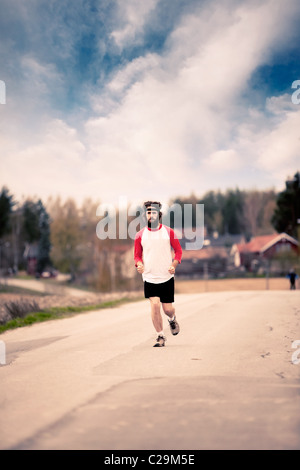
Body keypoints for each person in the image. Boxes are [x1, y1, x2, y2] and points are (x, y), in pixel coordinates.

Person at [134, 201, 182, 347]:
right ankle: (160, 336)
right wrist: (139, 264)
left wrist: (174, 265)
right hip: (149, 277)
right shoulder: (140, 235)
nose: (151, 215)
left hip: (166, 277)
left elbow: (178, 252)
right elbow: (137, 256)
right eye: (149, 212)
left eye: (154, 212)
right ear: (146, 215)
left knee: (167, 309)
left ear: (159, 215)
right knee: (155, 305)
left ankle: (172, 319)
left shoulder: (169, 232)